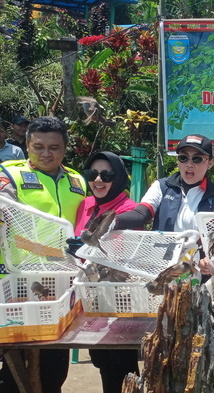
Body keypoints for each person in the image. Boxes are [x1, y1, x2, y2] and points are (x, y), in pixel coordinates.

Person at [0, 116, 87, 393]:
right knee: (15, 368)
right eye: (39, 147)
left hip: (62, 283)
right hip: (20, 281)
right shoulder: (9, 175)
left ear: (64, 149)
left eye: (54, 147)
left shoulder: (77, 180)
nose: (46, 154)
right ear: (27, 145)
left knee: (54, 367)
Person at [74, 152, 140, 393]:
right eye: (92, 174)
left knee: (122, 366)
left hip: (119, 301)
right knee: (102, 361)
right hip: (91, 298)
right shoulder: (86, 204)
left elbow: (121, 255)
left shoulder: (127, 209)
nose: (98, 180)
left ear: (119, 176)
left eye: (107, 174)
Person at [112, 134, 214, 232]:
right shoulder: (161, 186)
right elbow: (141, 214)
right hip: (162, 257)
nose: (189, 164)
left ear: (210, 163)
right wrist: (114, 222)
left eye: (197, 159)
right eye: (183, 158)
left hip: (199, 258)